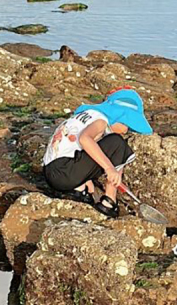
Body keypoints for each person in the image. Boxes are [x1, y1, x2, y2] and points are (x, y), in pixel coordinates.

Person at [43, 87, 152, 217]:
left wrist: (85, 178)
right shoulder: (100, 121)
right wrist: (109, 168)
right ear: (119, 115)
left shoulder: (88, 115)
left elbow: (81, 151)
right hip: (64, 171)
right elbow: (84, 139)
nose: (126, 130)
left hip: (51, 172)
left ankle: (78, 188)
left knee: (99, 149)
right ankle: (109, 201)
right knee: (117, 143)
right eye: (127, 125)